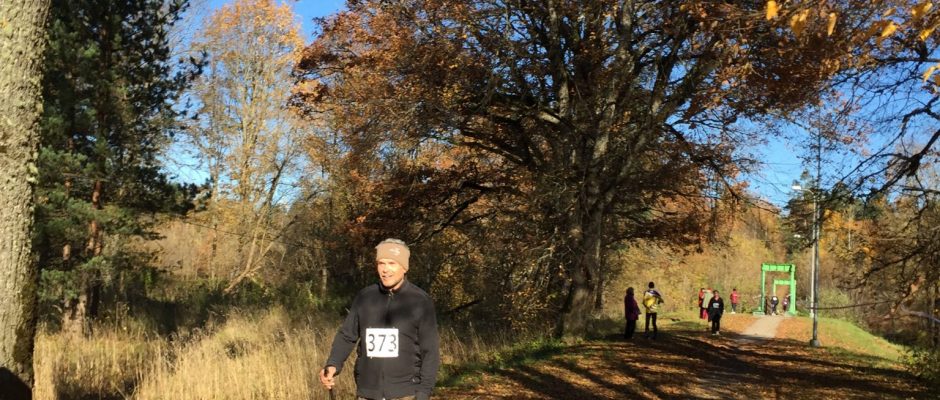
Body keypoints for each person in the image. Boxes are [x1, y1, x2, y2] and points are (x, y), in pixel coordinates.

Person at [320, 239, 440, 400]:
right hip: (367, 392)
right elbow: (347, 335)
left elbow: (430, 352)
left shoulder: (420, 301)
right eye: (381, 263)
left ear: (404, 267)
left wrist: (424, 393)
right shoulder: (365, 297)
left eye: (392, 263)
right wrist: (333, 364)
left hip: (405, 393)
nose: (385, 269)